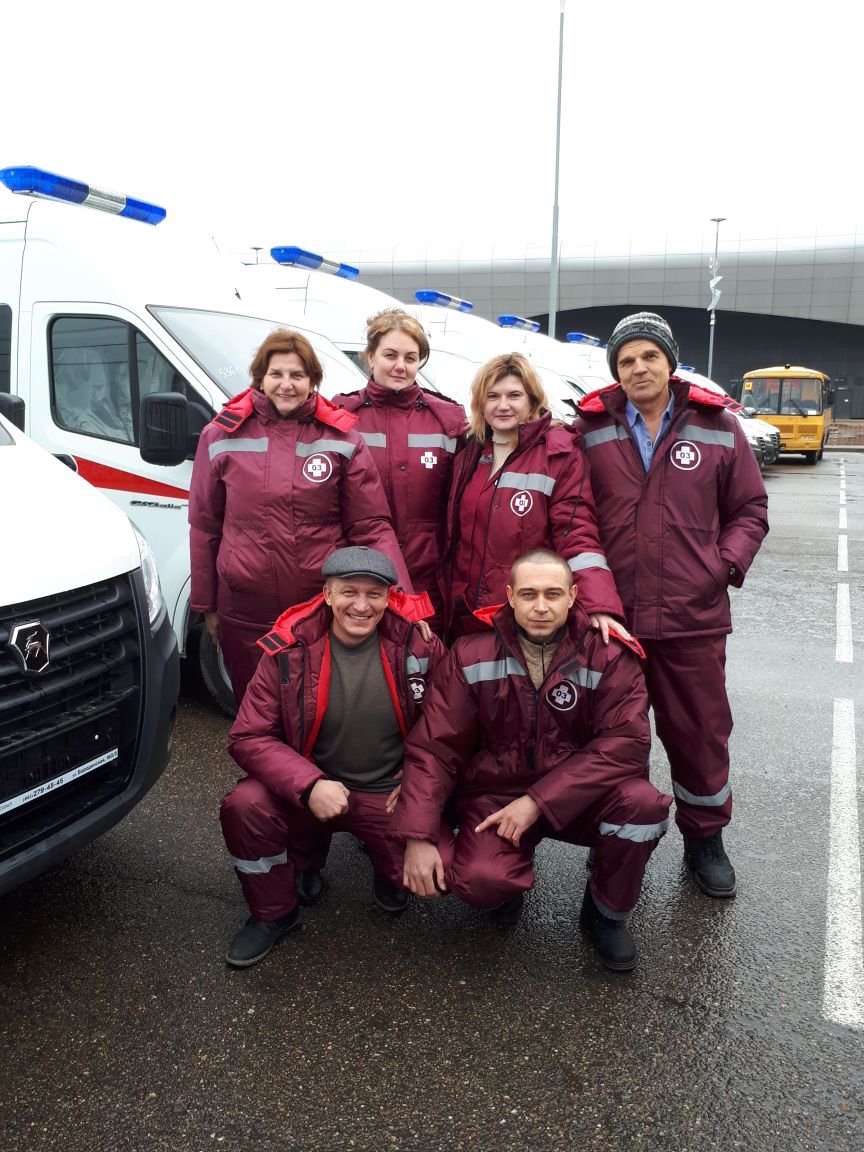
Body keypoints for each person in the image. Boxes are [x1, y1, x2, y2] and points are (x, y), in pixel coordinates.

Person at [395, 549, 672, 972]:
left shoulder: (609, 654)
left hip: (581, 797)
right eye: (528, 594)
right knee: (480, 880)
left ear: (573, 596)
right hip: (497, 796)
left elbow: (627, 743)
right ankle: (505, 888)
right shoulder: (470, 654)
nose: (540, 606)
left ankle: (605, 914)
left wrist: (538, 801)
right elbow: (435, 747)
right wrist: (418, 834)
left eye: (552, 594)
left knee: (643, 807)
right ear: (509, 596)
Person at [573, 312, 769, 899]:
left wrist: (722, 567)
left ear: (670, 362)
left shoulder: (718, 427)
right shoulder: (590, 430)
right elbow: (574, 515)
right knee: (613, 737)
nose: (638, 368)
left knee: (699, 733)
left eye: (649, 356)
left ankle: (705, 838)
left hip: (693, 618)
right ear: (616, 370)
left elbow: (749, 510)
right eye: (626, 360)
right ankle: (615, 834)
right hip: (614, 619)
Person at [220, 546, 447, 968]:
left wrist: (416, 783)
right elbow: (247, 735)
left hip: (387, 793)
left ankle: (385, 865)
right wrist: (309, 785)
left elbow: (448, 732)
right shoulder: (288, 649)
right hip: (313, 788)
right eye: (348, 592)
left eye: (374, 594)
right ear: (326, 594)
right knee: (245, 805)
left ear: (389, 598)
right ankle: (275, 911)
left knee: (445, 871)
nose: (361, 605)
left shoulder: (419, 646)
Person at [188, 328, 412, 706]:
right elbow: (205, 526)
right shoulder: (220, 436)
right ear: (260, 378)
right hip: (244, 606)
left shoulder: (342, 439)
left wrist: (403, 597)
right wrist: (206, 605)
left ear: (313, 381)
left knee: (317, 707)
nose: (286, 384)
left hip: (319, 604)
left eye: (297, 375)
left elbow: (370, 526)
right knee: (255, 709)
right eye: (276, 374)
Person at [443, 351, 623, 641]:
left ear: (532, 400)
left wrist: (597, 605)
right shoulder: (470, 454)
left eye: (514, 395)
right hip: (466, 618)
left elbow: (576, 534)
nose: (503, 405)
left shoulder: (559, 456)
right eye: (492, 396)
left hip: (526, 620)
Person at [332, 309, 467, 634]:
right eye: (390, 355)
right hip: (359, 578)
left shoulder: (447, 419)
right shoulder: (342, 415)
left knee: (426, 658)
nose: (400, 366)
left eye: (410, 358)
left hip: (429, 579)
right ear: (370, 357)